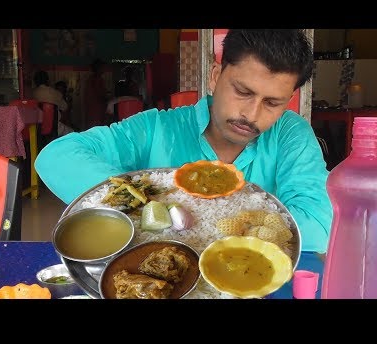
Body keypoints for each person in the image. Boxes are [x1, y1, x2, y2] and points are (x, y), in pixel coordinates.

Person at [35, 29, 332, 253]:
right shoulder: (156, 128)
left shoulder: (290, 133)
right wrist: (150, 205)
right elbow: (57, 157)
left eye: (272, 103)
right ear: (215, 76)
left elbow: (318, 228)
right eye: (242, 92)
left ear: (288, 100)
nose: (252, 115)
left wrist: (207, 222)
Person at [32, 70, 73, 138]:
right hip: (53, 128)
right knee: (72, 132)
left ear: (35, 81)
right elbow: (65, 108)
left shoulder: (32, 93)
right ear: (48, 80)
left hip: (35, 128)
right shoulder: (56, 93)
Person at [83, 59, 110, 129]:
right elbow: (100, 94)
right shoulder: (97, 79)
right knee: (96, 129)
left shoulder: (91, 79)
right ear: (98, 68)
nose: (104, 69)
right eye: (103, 67)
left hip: (93, 109)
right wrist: (108, 98)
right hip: (97, 109)